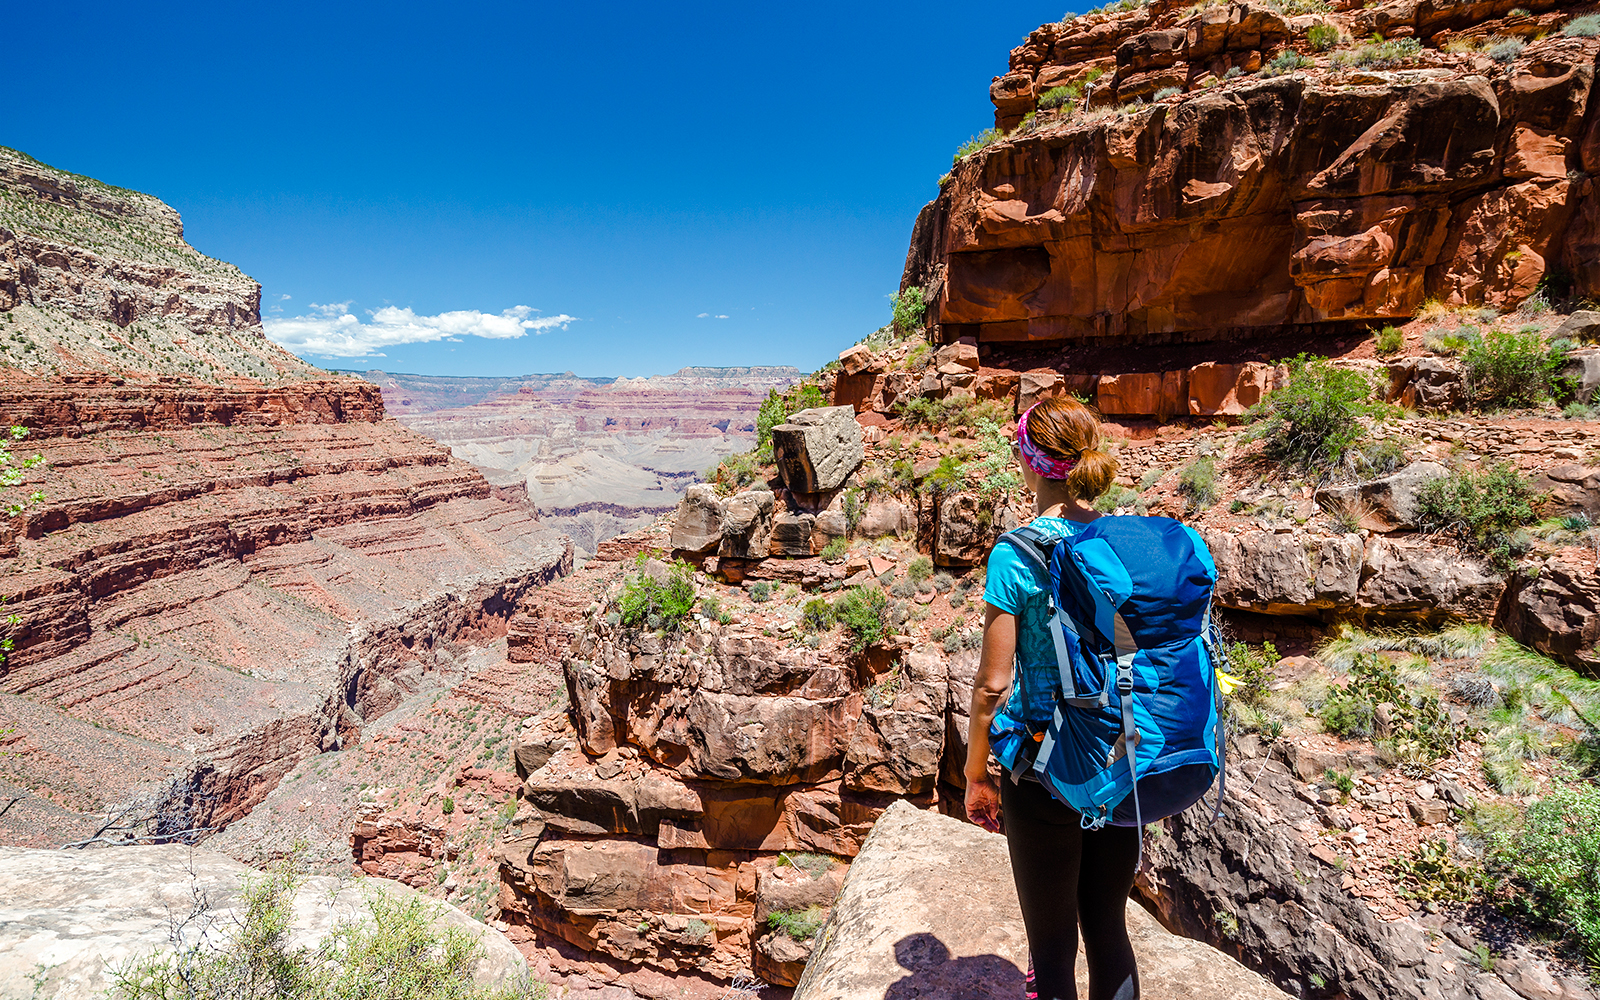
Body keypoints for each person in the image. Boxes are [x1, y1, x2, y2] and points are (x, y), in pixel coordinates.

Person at [964, 395, 1141, 1000]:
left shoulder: (1015, 554)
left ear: (1028, 459)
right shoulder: (1121, 542)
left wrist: (975, 775)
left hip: (1042, 768)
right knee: (1109, 932)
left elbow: (993, 685)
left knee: (1053, 950)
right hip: (1120, 759)